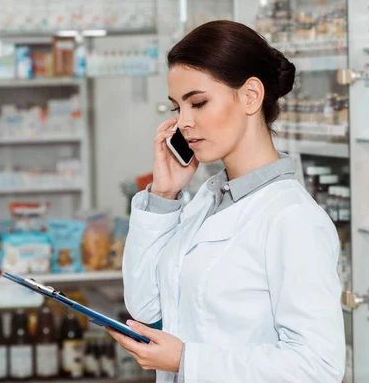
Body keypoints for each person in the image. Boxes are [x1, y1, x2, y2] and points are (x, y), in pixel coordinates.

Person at [106, 20, 345, 383]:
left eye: (197, 103)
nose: (183, 123)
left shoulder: (293, 219)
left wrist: (187, 360)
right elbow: (146, 308)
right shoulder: (207, 201)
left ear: (250, 96)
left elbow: (318, 368)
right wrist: (164, 195)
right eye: (176, 108)